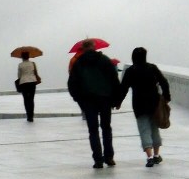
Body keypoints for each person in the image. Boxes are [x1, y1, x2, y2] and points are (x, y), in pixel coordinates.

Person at [67, 39, 120, 168]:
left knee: (93, 130)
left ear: (83, 49)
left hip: (88, 100)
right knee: (106, 128)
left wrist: (78, 99)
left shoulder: (78, 63)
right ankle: (109, 157)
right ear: (94, 47)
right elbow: (114, 80)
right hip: (105, 99)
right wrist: (116, 99)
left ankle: (98, 159)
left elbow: (72, 84)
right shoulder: (105, 60)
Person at [117, 46, 171, 167]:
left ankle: (149, 157)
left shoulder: (130, 71)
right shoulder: (152, 68)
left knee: (144, 129)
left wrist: (118, 102)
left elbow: (123, 88)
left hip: (139, 104)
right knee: (154, 128)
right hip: (154, 103)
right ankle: (156, 155)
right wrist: (167, 96)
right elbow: (164, 82)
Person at [16, 51, 40, 122]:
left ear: (22, 57)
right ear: (28, 56)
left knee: (26, 99)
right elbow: (35, 72)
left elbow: (19, 75)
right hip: (32, 82)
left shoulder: (20, 65)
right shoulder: (32, 63)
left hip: (23, 83)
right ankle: (31, 116)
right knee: (31, 99)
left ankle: (28, 115)